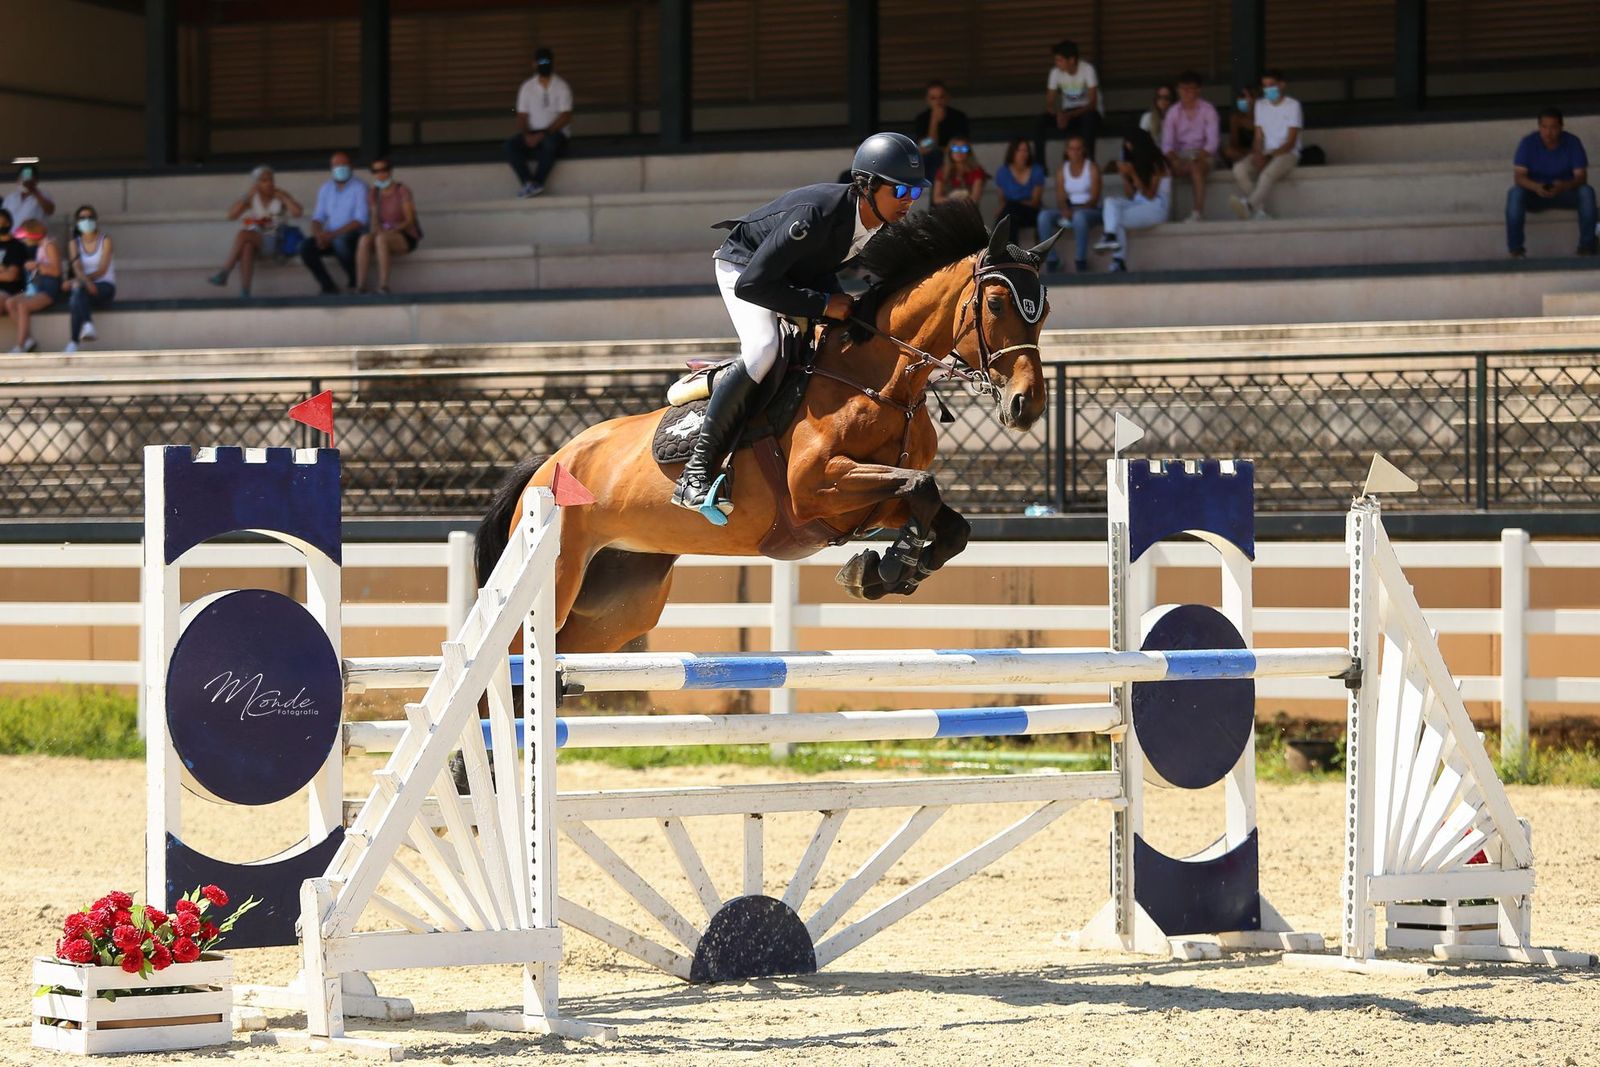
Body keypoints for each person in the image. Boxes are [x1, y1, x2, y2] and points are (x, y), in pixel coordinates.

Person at [670, 131, 928, 524]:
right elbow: (753, 285)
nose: (909, 200)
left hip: (799, 272)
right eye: (902, 190)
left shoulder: (880, 221)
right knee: (764, 349)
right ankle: (695, 473)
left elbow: (820, 266)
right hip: (744, 268)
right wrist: (823, 303)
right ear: (867, 185)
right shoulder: (816, 215)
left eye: (916, 191)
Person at [1506, 107, 1596, 259]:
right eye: (1544, 127)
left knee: (1586, 192)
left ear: (1561, 127)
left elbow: (1581, 177)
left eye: (1553, 127)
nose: (1548, 132)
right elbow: (1519, 177)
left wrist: (1563, 186)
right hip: (1535, 194)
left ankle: (1586, 248)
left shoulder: (1572, 142)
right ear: (1539, 127)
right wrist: (1536, 187)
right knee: (1515, 193)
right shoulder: (1528, 143)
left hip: (1565, 193)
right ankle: (1516, 251)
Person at [209, 165, 303, 297]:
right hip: (259, 241)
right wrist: (247, 196)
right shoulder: (252, 198)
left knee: (243, 234)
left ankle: (225, 271)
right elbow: (231, 216)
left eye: (271, 180)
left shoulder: (280, 195)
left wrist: (285, 198)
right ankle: (245, 292)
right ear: (256, 184)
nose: (269, 183)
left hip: (276, 241)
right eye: (264, 181)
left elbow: (298, 213)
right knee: (247, 246)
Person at [1094, 130, 1171, 272]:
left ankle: (1118, 260)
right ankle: (1110, 236)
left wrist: (1133, 174)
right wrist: (1124, 176)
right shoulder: (1137, 163)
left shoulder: (1158, 164)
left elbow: (1149, 195)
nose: (1128, 148)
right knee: (1110, 202)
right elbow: (1131, 195)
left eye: (1130, 144)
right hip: (1139, 204)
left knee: (1116, 218)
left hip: (1156, 208)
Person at [1230, 70, 1301, 220]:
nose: (1268, 89)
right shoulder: (1260, 105)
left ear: (1282, 85)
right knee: (1239, 169)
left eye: (1271, 85)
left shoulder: (1293, 105)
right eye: (1265, 86)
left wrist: (1269, 156)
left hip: (1288, 154)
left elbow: (1291, 142)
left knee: (1266, 175)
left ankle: (1248, 206)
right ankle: (1260, 212)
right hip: (1266, 151)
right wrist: (1258, 154)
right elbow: (1258, 137)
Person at [505, 47, 573, 198]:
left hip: (555, 133)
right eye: (541, 62)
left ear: (552, 63)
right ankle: (528, 183)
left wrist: (543, 134)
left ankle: (536, 183)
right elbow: (521, 115)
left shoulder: (562, 86)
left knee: (549, 144)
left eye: (547, 61)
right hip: (532, 132)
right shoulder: (526, 87)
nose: (544, 64)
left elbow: (565, 116)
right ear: (534, 64)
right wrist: (527, 135)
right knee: (510, 145)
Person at [300, 151, 368, 295]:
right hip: (329, 235)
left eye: (344, 164)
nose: (340, 168)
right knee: (305, 247)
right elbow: (318, 217)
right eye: (336, 165)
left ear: (351, 166)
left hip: (353, 235)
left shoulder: (360, 187)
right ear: (331, 168)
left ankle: (355, 280)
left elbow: (360, 220)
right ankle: (328, 286)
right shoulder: (326, 188)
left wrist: (332, 235)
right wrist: (319, 235)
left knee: (340, 242)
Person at [1036, 134, 1102, 272]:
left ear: (1083, 150)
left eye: (1078, 149)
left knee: (1079, 217)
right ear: (1067, 151)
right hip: (1069, 208)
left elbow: (1095, 198)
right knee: (1044, 216)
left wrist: (1077, 211)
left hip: (1089, 210)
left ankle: (1080, 261)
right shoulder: (1062, 170)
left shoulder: (1092, 168)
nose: (1075, 152)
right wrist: (1065, 209)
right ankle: (1052, 260)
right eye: (1072, 149)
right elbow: (1060, 197)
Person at [355, 158, 422, 293]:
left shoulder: (402, 190)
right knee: (364, 239)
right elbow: (374, 222)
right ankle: (360, 285)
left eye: (383, 170)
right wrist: (375, 217)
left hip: (404, 234)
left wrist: (392, 230)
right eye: (375, 171)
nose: (380, 174)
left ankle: (383, 285)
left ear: (390, 171)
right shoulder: (374, 193)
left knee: (381, 239)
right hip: (383, 233)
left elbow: (409, 220)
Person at [1034, 40, 1103, 166]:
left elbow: (1092, 103)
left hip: (1088, 112)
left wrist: (1068, 115)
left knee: (1089, 120)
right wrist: (1058, 115)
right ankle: (1040, 167)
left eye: (1060, 60)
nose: (1057, 63)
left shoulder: (1087, 69)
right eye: (1056, 60)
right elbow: (1049, 102)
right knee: (1040, 121)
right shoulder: (1055, 72)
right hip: (1068, 112)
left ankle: (1089, 164)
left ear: (1071, 60)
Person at [1163, 71, 1219, 222]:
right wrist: (1175, 160)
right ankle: (1164, 213)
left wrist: (1195, 159)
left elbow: (1212, 144)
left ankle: (1197, 213)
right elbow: (1167, 144)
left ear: (1198, 90)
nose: (1185, 93)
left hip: (1203, 155)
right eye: (1182, 89)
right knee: (1162, 169)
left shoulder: (1208, 110)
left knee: (1195, 168)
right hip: (1180, 154)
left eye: (1190, 89)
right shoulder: (1172, 112)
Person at [64, 205, 115, 354]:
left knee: (76, 293)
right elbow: (77, 267)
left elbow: (103, 269)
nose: (86, 221)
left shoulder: (105, 240)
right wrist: (86, 282)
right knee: (76, 295)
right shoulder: (74, 243)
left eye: (90, 217)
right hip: (85, 286)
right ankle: (87, 325)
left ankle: (74, 341)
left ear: (95, 220)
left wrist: (84, 281)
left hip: (105, 285)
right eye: (82, 218)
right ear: (77, 222)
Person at [5, 219, 62, 353]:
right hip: (37, 288)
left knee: (22, 306)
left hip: (49, 290)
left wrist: (36, 265)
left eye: (25, 236)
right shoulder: (40, 246)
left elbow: (56, 271)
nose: (24, 240)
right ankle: (28, 340)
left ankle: (20, 346)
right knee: (10, 302)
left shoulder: (49, 245)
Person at [911, 80, 971, 176]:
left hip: (954, 157)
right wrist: (934, 122)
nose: (938, 102)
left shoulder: (958, 117)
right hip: (930, 159)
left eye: (941, 97)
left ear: (947, 98)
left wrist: (942, 150)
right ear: (927, 100)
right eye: (933, 98)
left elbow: (962, 145)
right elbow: (926, 146)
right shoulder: (922, 119)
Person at [994, 138, 1046, 245]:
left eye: (1025, 150)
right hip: (1011, 214)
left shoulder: (1037, 170)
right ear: (1012, 152)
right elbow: (1002, 201)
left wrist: (1013, 204)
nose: (1023, 154)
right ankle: (1011, 250)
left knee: (1010, 210)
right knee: (1010, 217)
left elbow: (1035, 202)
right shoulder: (1003, 172)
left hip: (1031, 212)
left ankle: (998, 247)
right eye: (1019, 150)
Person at [2, 161, 54, 230]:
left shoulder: (44, 195)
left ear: (36, 180)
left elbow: (50, 211)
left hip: (34, 235)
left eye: (29, 178)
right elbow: (3, 217)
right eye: (22, 178)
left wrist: (34, 191)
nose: (25, 181)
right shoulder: (10, 198)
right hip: (12, 235)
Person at [933, 138, 987, 204]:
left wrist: (955, 201)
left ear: (969, 152)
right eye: (955, 148)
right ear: (950, 152)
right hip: (946, 208)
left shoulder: (976, 171)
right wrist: (954, 201)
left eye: (964, 149)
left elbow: (975, 198)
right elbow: (936, 199)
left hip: (968, 208)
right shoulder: (942, 171)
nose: (959, 152)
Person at [1223, 85, 1257, 165]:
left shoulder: (1262, 116)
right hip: (1243, 153)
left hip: (1260, 153)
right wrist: (1248, 152)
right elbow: (1234, 144)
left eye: (1250, 96)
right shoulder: (1235, 118)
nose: (1246, 100)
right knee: (1228, 151)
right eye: (1242, 96)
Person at [0, 208, 26, 307]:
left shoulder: (17, 246)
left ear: (8, 223)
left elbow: (10, 276)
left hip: (9, 291)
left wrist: (5, 272)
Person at [1139, 84, 1175, 150]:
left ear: (1172, 100)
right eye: (1159, 97)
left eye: (1167, 97)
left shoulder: (1177, 117)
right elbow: (1141, 140)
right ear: (1155, 99)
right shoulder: (1147, 117)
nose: (1163, 100)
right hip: (1153, 154)